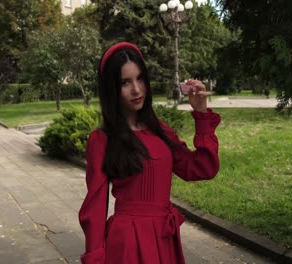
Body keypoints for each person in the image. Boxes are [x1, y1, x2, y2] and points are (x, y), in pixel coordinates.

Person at [78, 42, 221, 264]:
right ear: (112, 89)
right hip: (127, 244)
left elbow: (203, 168)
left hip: (165, 238)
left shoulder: (160, 130)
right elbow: (94, 210)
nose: (136, 89)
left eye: (140, 78)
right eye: (125, 82)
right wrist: (95, 259)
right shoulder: (102, 140)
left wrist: (201, 115)